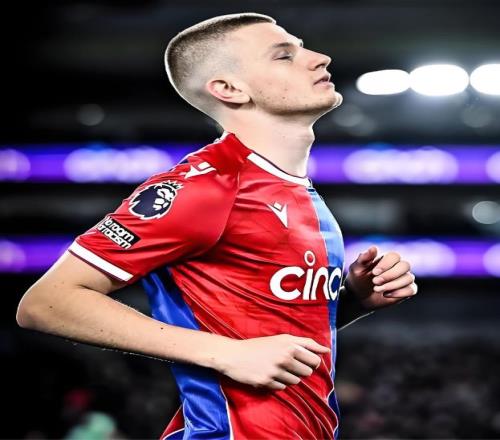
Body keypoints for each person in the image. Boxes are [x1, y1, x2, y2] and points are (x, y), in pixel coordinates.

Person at [16, 12, 418, 440]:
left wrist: (352, 300)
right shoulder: (206, 186)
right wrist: (222, 353)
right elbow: (46, 302)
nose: (320, 58)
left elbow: (265, 334)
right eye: (284, 55)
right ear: (229, 89)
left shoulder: (296, 190)